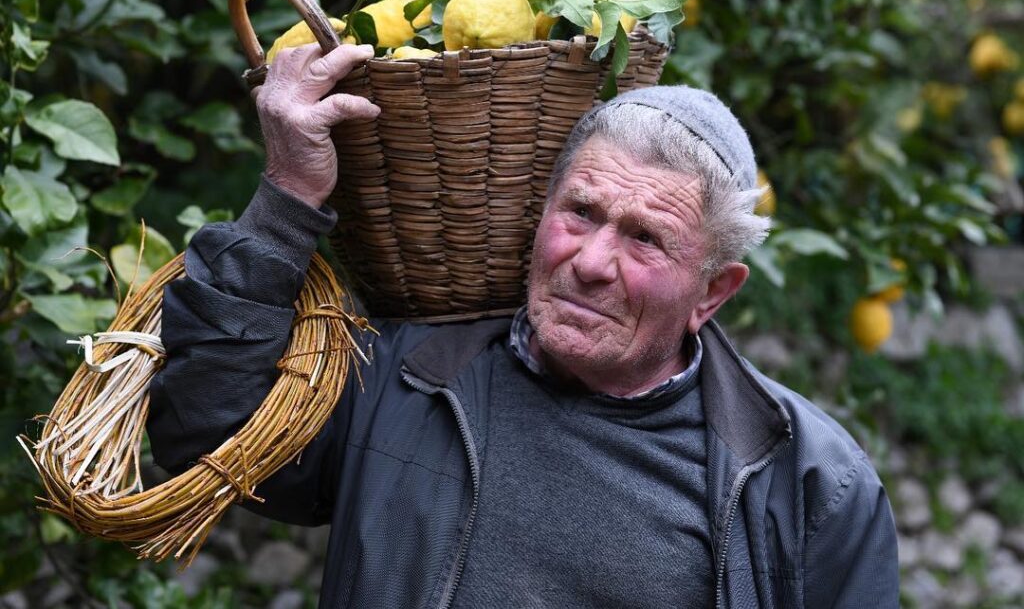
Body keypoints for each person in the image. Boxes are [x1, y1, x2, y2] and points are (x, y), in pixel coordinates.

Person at [148, 42, 899, 608]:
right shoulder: (404, 380)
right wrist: (287, 196)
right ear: (540, 210)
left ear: (712, 293)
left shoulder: (810, 486)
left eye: (645, 238)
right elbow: (206, 440)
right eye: (580, 212)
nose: (592, 261)